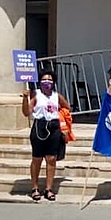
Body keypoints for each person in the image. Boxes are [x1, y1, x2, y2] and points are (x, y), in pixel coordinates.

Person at [21, 71, 71, 202]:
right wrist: (24, 99)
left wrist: (62, 121)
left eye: (49, 80)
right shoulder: (35, 95)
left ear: (53, 82)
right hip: (40, 126)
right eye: (44, 80)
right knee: (37, 159)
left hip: (54, 126)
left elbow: (67, 107)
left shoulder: (56, 96)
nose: (47, 82)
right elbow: (26, 112)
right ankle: (35, 187)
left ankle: (49, 188)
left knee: (51, 159)